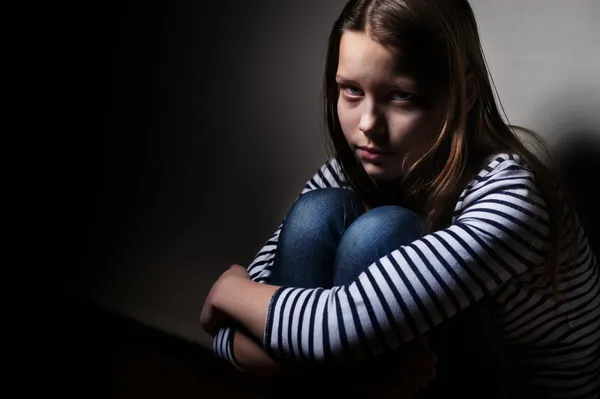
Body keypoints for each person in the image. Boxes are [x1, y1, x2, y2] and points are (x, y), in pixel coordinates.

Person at [201, 0, 600, 397]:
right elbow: (226, 337)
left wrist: (229, 290)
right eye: (352, 91)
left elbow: (324, 331)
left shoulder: (512, 197)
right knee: (316, 212)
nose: (368, 125)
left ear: (465, 94)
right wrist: (354, 377)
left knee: (380, 232)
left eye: (401, 96)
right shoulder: (352, 171)